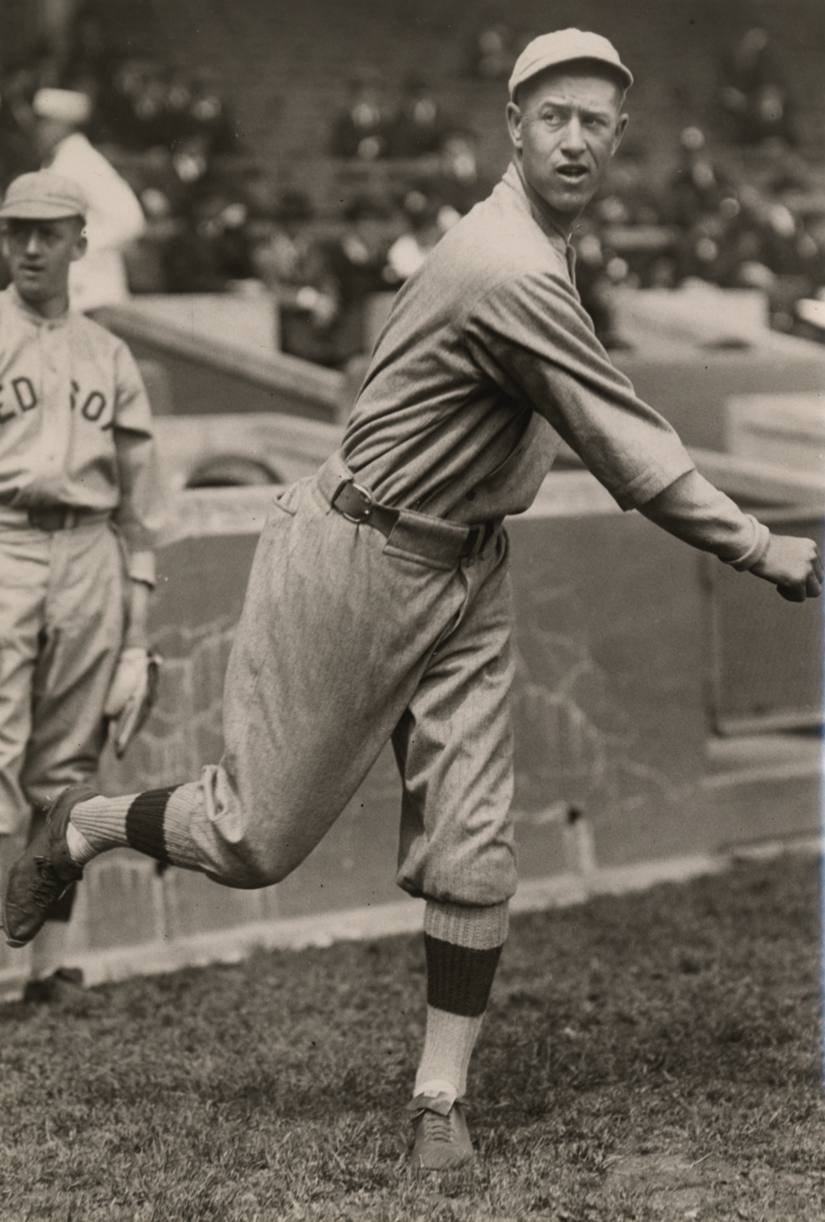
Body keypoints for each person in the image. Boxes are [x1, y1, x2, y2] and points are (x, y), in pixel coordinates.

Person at [3, 31, 821, 1173]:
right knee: (254, 839)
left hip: (468, 560)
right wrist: (761, 545)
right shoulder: (508, 264)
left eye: (597, 119)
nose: (576, 136)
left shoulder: (551, 243)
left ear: (621, 138)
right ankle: (82, 824)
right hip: (357, 550)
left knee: (474, 841)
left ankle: (439, 1098)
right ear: (513, 128)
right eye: (555, 116)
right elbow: (632, 449)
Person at [0, 170, 166, 993]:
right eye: (16, 232)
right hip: (6, 544)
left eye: (48, 232)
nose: (31, 247)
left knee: (66, 773)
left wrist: (136, 639)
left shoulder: (109, 352)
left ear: (79, 242)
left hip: (92, 556)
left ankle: (49, 967)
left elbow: (141, 507)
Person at [31, 86, 146, 312]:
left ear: (63, 126)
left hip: (93, 294)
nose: (38, 131)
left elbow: (131, 219)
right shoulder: (57, 162)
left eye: (45, 123)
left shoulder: (85, 162)